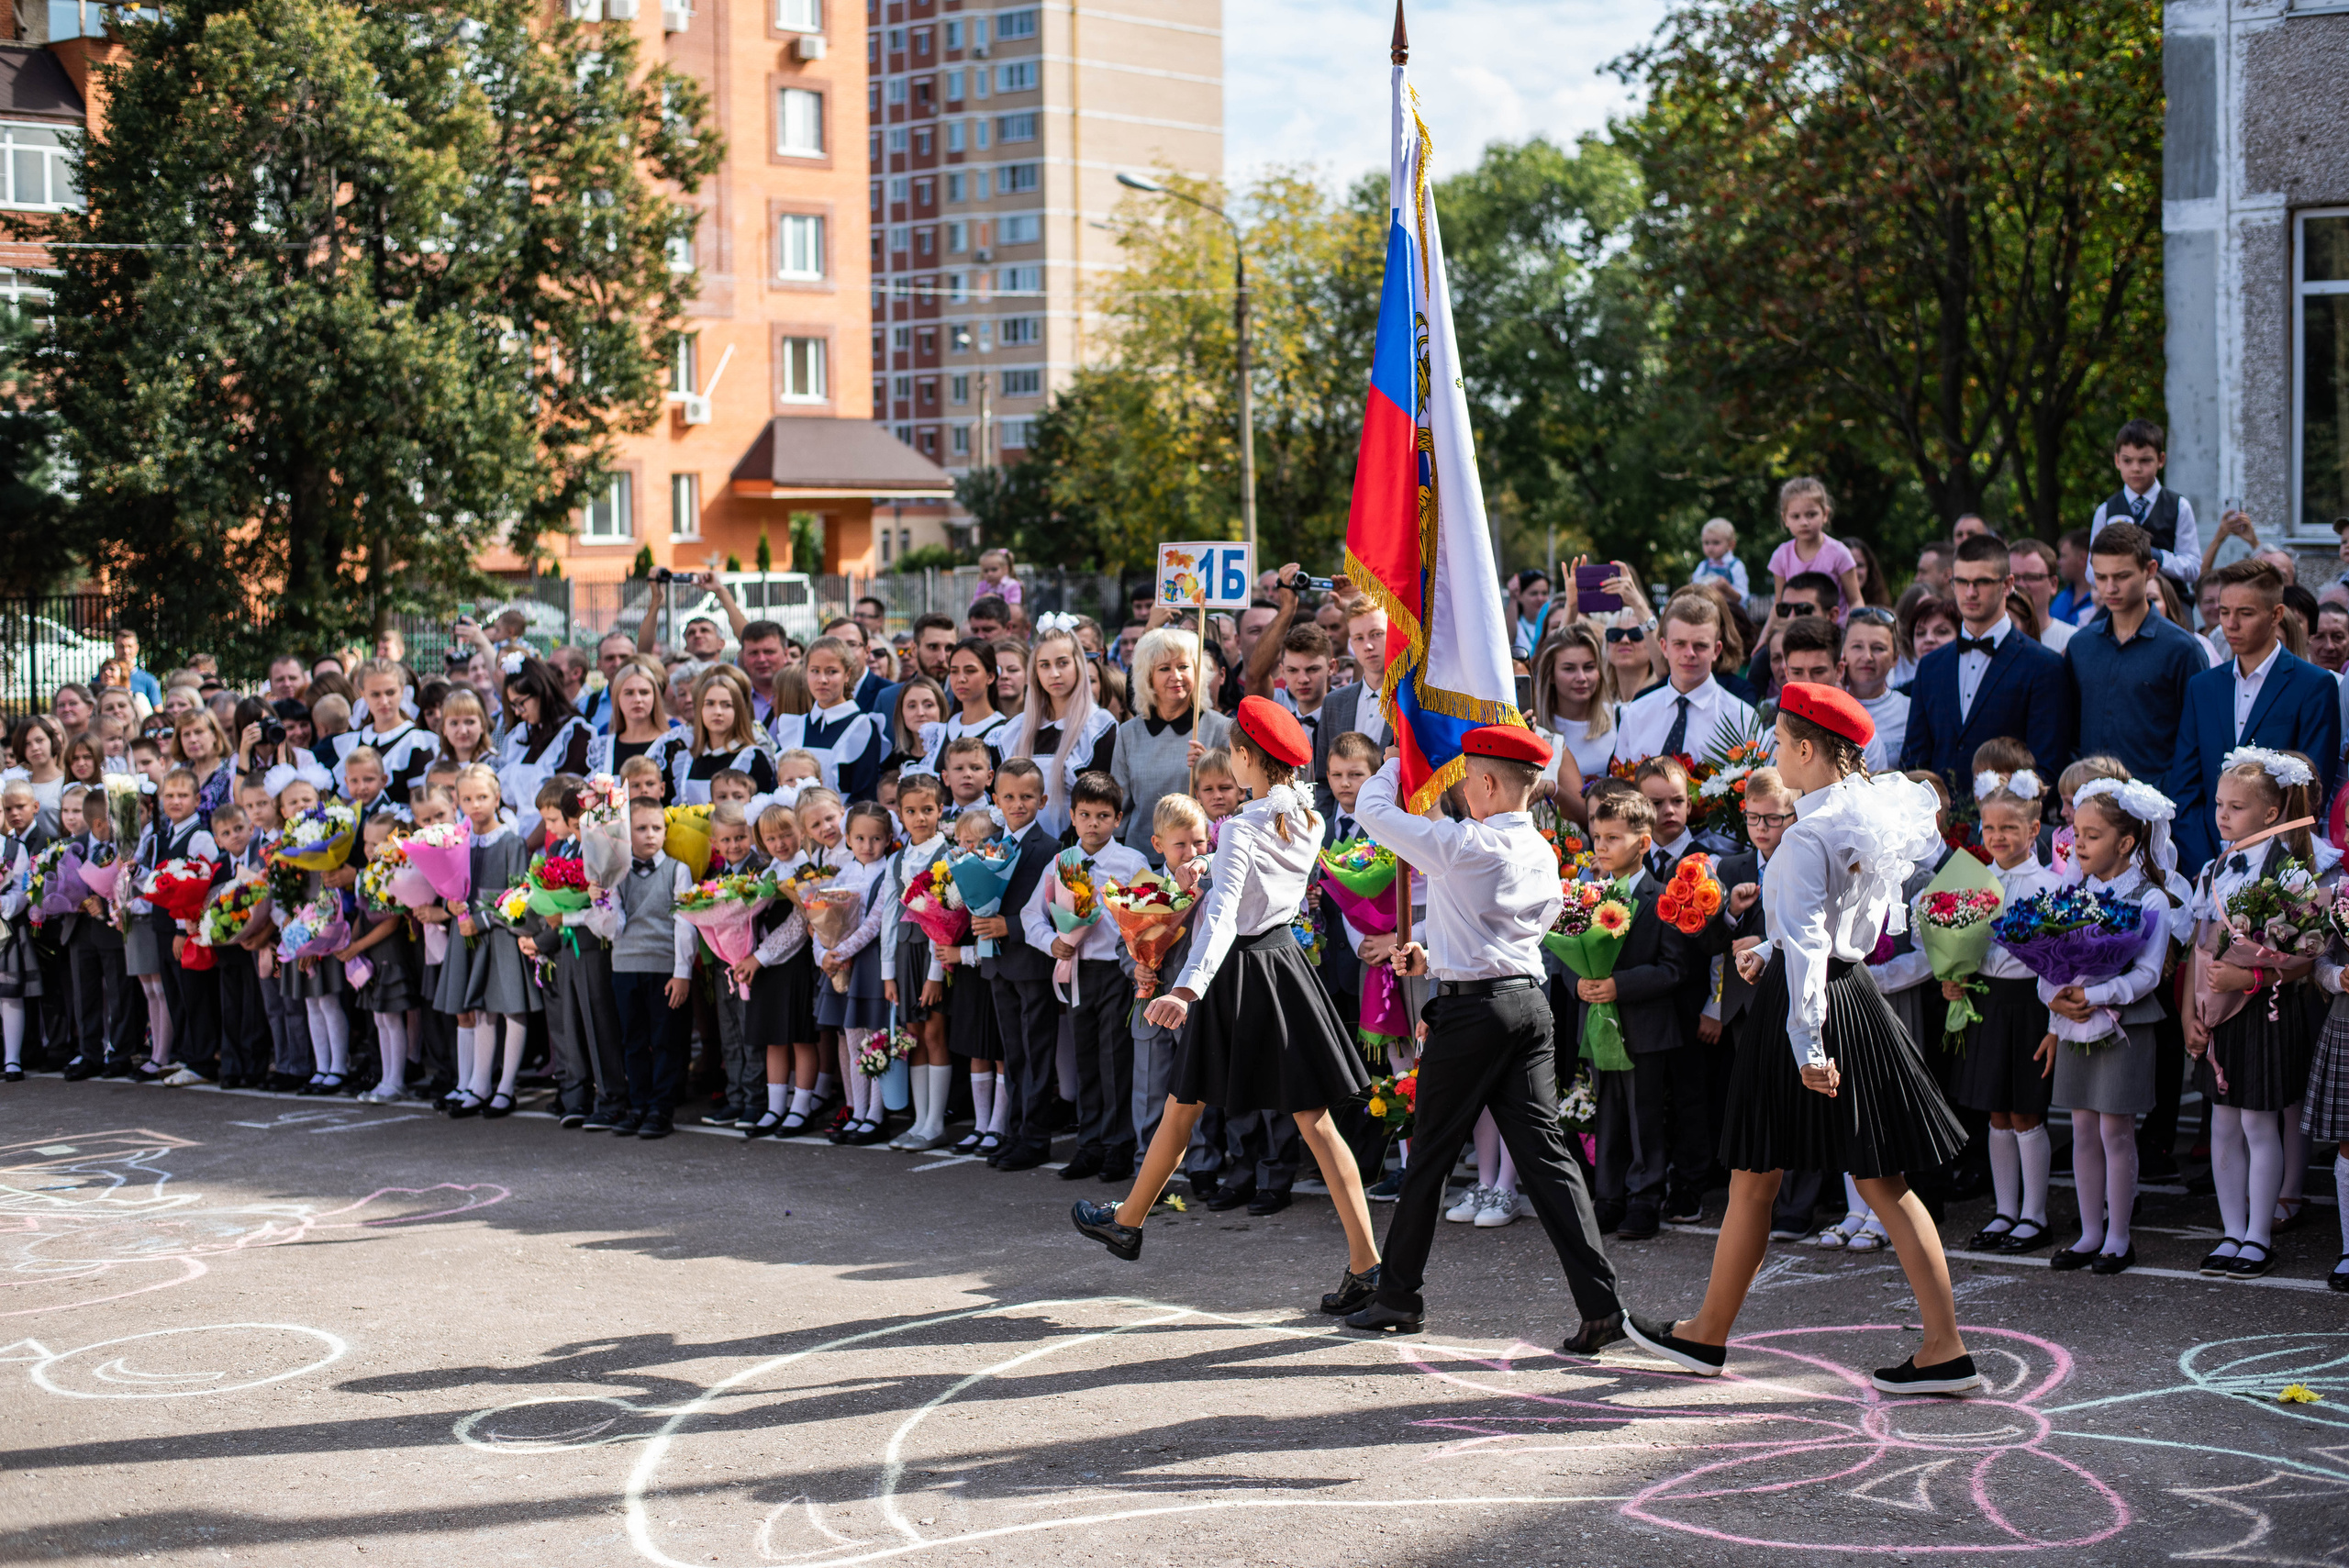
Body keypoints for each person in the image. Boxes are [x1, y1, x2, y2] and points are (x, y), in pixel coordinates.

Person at [1626, 684, 1978, 1396]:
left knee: (1755, 1176)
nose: (1776, 753)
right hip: (1854, 995)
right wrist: (1770, 948)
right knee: (1881, 1181)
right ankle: (1943, 1346)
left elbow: (1814, 944)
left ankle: (1707, 1333)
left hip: (1809, 1005)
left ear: (1809, 749)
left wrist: (1809, 1043)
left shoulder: (1805, 836)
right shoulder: (1859, 813)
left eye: (1782, 742)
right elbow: (1841, 931)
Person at [1070, 698, 1379, 1284]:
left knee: (1183, 1103)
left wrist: (1185, 990)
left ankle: (1127, 1222)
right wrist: (1209, 868)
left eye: (1232, 755)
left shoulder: (1240, 827)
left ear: (1243, 757)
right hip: (1284, 964)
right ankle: (1367, 1265)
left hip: (1236, 972)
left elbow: (1223, 919)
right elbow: (1263, 879)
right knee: (1312, 1120)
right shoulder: (1306, 817)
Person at [2042, 778, 2182, 1276]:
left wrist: (2096, 995)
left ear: (2125, 843)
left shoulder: (2150, 899)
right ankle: (2090, 1233)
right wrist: (2054, 998)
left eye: (2092, 835)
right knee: (2082, 1127)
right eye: (2076, 834)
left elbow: (2147, 975)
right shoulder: (2071, 890)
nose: (2078, 844)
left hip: (2124, 1024)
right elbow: (2047, 958)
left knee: (2115, 1131)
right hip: (2074, 1022)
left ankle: (2119, 1238)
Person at [1950, 757, 2061, 1254]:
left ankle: (2035, 1216)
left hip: (2030, 1007)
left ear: (2034, 829)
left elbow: (2059, 966)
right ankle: (2004, 1210)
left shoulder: (2051, 888)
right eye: (1989, 827)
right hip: (1987, 1004)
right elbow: (1960, 947)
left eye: (2009, 828)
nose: (1997, 836)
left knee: (2025, 1113)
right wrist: (1954, 979)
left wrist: (2055, 1024)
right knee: (1996, 1113)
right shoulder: (1973, 881)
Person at [2171, 557, 2342, 872]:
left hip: (2280, 868)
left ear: (2276, 614)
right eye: (2224, 612)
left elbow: (2309, 793)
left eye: (2245, 613)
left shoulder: (2314, 685)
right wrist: (2207, 866)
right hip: (2206, 864)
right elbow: (2185, 786)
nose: (2231, 624)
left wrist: (2267, 871)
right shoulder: (2202, 686)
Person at [1028, 772, 1149, 1180]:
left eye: (1103, 816)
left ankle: (1118, 1146)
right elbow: (1031, 915)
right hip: (1079, 970)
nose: (1093, 824)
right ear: (1073, 817)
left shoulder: (1131, 862)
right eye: (1085, 815)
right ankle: (1089, 1144)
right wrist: (1052, 943)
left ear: (1118, 818)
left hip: (1118, 972)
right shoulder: (1062, 862)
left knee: (1116, 1060)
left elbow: (1148, 918)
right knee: (1086, 1060)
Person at [1898, 533, 2074, 795]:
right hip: (1934, 818)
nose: (1970, 592)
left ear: (2007, 585)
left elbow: (2047, 769)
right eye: (1962, 582)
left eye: (1982, 582)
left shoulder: (2044, 666)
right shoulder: (1931, 666)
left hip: (2011, 817)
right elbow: (1914, 761)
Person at [2065, 522, 2209, 790]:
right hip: (2088, 798)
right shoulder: (2080, 645)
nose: (2110, 588)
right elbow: (2070, 730)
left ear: (2150, 570)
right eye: (2101, 577)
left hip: (2158, 801)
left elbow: (2199, 739)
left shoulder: (2183, 649)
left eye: (2122, 576)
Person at [1111, 626, 1232, 864]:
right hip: (1140, 858)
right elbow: (1119, 806)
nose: (1175, 676)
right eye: (1164, 668)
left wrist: (1210, 769)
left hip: (1200, 860)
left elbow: (1240, 795)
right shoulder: (1128, 733)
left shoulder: (1221, 729)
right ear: (1148, 676)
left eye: (1183, 666)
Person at [1609, 592, 1758, 770]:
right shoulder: (1636, 714)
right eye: (1679, 644)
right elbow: (1619, 779)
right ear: (1664, 647)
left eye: (1700, 645)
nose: (1689, 653)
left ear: (1716, 650)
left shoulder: (1741, 717)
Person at [1007, 625, 1116, 840]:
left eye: (1063, 663)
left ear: (1078, 664)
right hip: (1021, 845)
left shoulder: (1098, 725)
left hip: (1076, 848)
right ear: (1035, 671)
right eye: (1044, 665)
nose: (1054, 674)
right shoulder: (1018, 728)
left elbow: (1103, 802)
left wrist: (1062, 850)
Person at [769, 636, 886, 802]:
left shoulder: (863, 728)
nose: (822, 680)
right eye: (815, 671)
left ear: (847, 674)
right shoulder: (795, 726)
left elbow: (864, 795)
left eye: (832, 671)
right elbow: (777, 787)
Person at [2088, 417, 2202, 588]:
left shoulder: (2179, 506)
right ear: (2117, 461)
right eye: (2128, 461)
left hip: (2171, 598)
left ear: (2161, 460)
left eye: (2145, 460)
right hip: (2120, 597)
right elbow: (2091, 572)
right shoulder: (2106, 510)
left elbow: (2193, 568)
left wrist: (2156, 556)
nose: (2136, 468)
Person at [1529, 624, 1619, 791]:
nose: (1581, 677)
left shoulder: (1621, 718)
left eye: (1589, 667)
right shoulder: (1535, 725)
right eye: (1569, 669)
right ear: (1551, 675)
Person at [1766, 477, 1864, 613]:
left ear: (1825, 514)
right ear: (1785, 519)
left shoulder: (1839, 554)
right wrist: (1766, 629)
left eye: (1811, 515)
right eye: (1796, 516)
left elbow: (1856, 601)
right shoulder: (1781, 556)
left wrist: (1855, 625)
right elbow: (1779, 604)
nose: (1804, 522)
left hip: (1833, 625)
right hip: (1795, 624)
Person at [1838, 608, 1909, 773]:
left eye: (1878, 648)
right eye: (1857, 647)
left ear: (1895, 658)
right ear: (1843, 653)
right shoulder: (1829, 710)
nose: (1867, 656)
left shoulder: (1909, 710)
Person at [2009, 539, 2075, 653]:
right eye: (2014, 578)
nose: (2021, 585)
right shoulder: (1989, 638)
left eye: (2031, 577)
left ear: (2053, 584)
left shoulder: (2072, 641)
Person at [1689, 518, 1750, 600]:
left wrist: (1727, 589)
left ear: (1731, 545)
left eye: (1716, 542)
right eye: (1706, 543)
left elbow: (1743, 598)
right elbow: (1693, 589)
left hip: (1729, 607)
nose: (1710, 547)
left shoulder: (1736, 566)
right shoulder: (1703, 565)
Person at [1508, 569, 1553, 658]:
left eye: (1544, 593)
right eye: (1534, 593)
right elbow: (1508, 639)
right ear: (1519, 596)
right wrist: (1513, 598)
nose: (1540, 598)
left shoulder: (1553, 623)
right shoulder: (1516, 627)